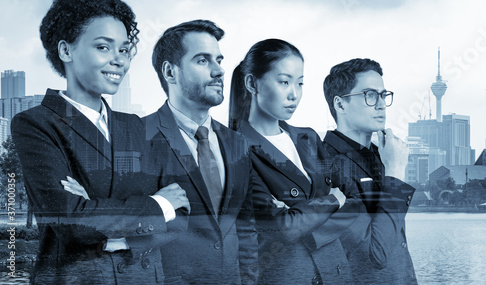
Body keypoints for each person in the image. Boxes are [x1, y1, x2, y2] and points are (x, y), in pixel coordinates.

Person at [11, 0, 189, 285]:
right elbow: (72, 221)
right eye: (104, 47)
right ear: (66, 52)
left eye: (124, 50)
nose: (119, 60)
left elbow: (182, 213)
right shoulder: (35, 124)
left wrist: (110, 231)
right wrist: (157, 205)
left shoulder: (139, 127)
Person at [229, 38, 357, 284]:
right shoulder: (236, 149)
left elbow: (354, 202)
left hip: (337, 274)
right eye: (284, 82)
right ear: (252, 83)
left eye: (300, 83)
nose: (294, 94)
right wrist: (332, 199)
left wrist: (304, 216)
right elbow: (282, 228)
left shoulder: (308, 138)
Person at [143, 19, 258, 284]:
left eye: (219, 60)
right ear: (170, 72)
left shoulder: (237, 142)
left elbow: (246, 228)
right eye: (203, 61)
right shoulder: (138, 136)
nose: (219, 71)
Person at [322, 58, 418, 284]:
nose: (381, 104)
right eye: (370, 95)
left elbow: (396, 243)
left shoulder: (383, 155)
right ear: (340, 104)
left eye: (383, 95)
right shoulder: (325, 164)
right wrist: (394, 173)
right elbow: (375, 256)